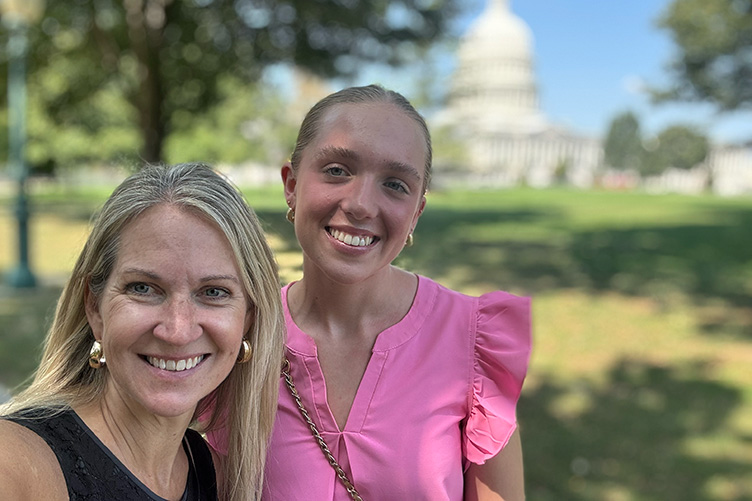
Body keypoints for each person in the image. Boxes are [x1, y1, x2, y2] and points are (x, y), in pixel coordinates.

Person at [217, 84, 530, 499]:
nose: (362, 204)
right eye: (337, 170)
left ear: (416, 211)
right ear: (291, 185)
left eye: (396, 184)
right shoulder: (236, 330)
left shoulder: (473, 342)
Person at [0, 163, 285, 501]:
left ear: (248, 319)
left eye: (214, 292)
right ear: (95, 308)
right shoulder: (15, 465)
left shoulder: (220, 480)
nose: (177, 331)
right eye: (143, 288)